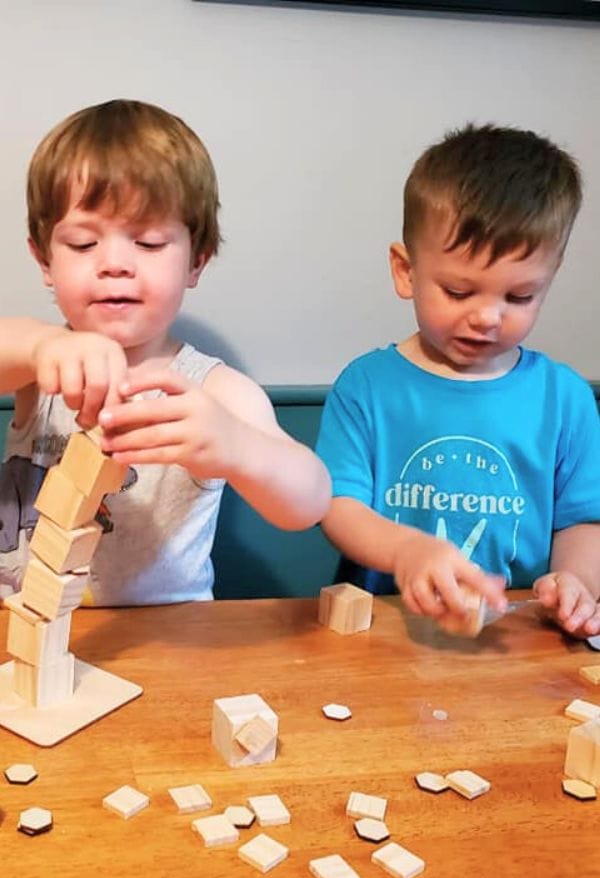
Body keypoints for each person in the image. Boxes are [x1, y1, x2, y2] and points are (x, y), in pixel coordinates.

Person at [0, 98, 330, 605]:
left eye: (149, 243)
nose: (115, 264)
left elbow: (309, 502)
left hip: (168, 642)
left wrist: (239, 448)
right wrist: (43, 344)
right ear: (44, 259)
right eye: (84, 244)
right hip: (23, 633)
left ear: (196, 261)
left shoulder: (214, 390)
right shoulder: (38, 368)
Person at [316, 123, 600, 637]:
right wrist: (408, 550)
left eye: (519, 298)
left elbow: (582, 519)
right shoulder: (367, 386)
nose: (488, 317)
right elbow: (336, 507)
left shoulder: (565, 399)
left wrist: (576, 581)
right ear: (406, 271)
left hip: (515, 636)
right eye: (458, 290)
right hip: (381, 631)